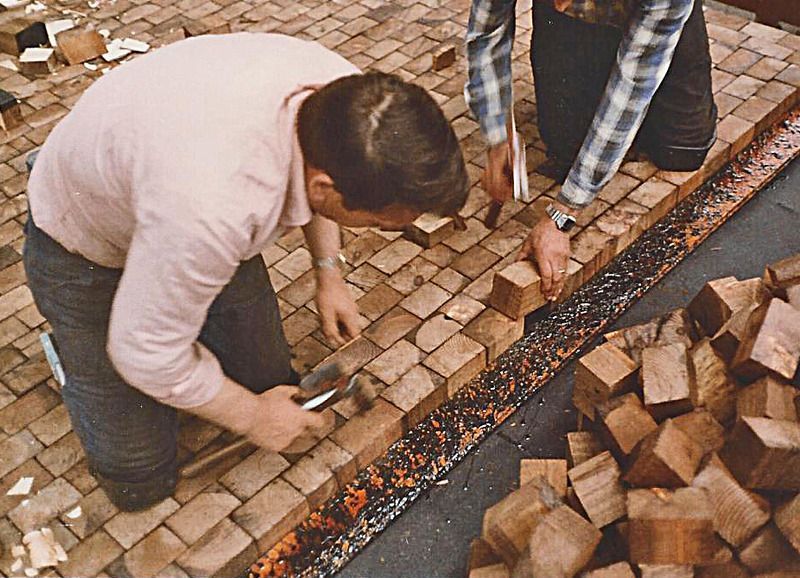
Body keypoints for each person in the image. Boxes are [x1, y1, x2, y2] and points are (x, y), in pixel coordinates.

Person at [23, 32, 468, 511]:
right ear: (326, 188)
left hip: (179, 200)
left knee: (272, 380)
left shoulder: (357, 101)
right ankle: (72, 343)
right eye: (380, 223)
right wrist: (254, 417)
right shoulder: (216, 210)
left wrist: (328, 271)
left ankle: (175, 299)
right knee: (138, 479)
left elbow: (323, 181)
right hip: (84, 241)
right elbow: (143, 353)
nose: (381, 229)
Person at [466, 0, 717, 300]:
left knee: (683, 151)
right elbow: (487, 32)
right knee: (566, 149)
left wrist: (563, 214)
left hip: (655, 14)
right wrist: (497, 135)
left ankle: (654, 40)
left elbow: (632, 83)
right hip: (574, 27)